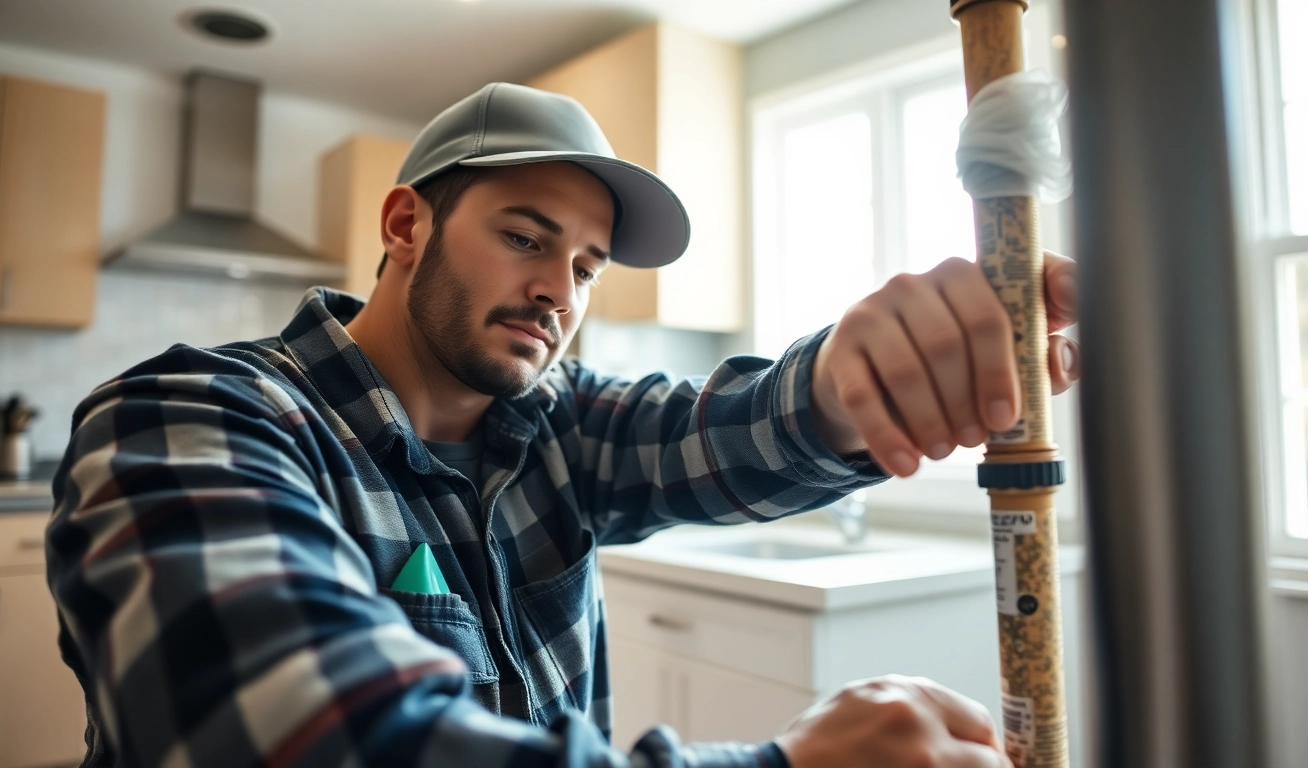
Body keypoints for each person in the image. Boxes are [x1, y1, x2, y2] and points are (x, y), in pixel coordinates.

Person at [47, 82, 1079, 768]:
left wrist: (859, 386)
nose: (558, 290)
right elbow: (283, 729)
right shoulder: (185, 418)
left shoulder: (561, 427)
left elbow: (741, 423)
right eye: (526, 237)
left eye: (587, 266)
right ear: (407, 226)